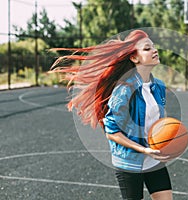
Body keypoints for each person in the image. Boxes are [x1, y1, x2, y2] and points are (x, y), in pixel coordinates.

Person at [50, 30, 173, 200]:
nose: (154, 50)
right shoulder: (124, 90)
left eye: (153, 46)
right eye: (147, 48)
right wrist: (144, 149)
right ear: (134, 58)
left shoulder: (158, 86)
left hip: (154, 160)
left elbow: (156, 122)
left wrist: (167, 138)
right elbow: (112, 132)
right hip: (128, 162)